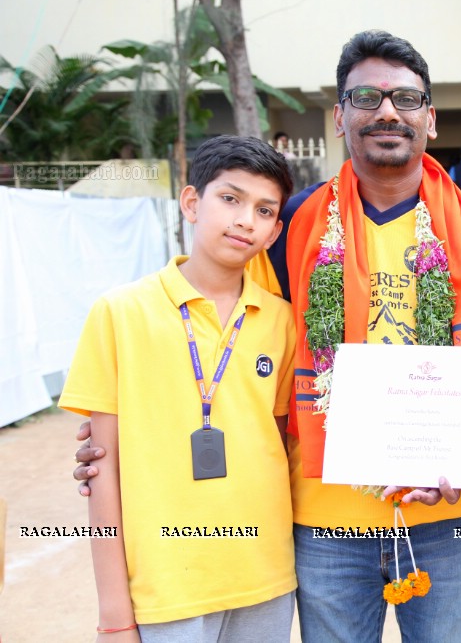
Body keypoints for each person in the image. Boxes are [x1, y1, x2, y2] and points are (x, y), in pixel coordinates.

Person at [76, 30, 461, 643]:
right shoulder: (290, 231)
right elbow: (241, 358)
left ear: (430, 119)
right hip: (324, 522)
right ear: (339, 117)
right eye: (366, 97)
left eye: (406, 99)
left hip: (447, 518)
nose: (387, 111)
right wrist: (112, 438)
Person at [60, 136, 297, 640]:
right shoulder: (120, 312)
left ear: (275, 231)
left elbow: (278, 442)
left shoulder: (282, 322)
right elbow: (102, 470)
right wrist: (112, 613)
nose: (244, 220)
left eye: (263, 210)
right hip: (166, 589)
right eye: (229, 199)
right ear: (192, 202)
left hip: (267, 580)